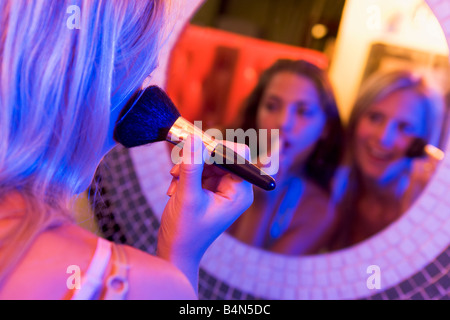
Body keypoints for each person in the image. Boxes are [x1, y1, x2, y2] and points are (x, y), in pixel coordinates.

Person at [0, 0, 253, 299]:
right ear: (93, 83)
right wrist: (181, 258)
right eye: (141, 77)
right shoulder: (121, 282)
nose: (136, 105)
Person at [227, 59, 345, 255]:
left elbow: (245, 277)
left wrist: (262, 200)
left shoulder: (318, 211)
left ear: (326, 128)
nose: (284, 122)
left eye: (303, 111)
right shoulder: (216, 166)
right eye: (272, 106)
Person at [328, 69, 444, 250]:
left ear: (422, 144)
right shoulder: (329, 190)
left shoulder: (435, 219)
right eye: (375, 118)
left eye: (404, 127)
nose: (384, 137)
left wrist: (415, 218)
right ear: (356, 120)